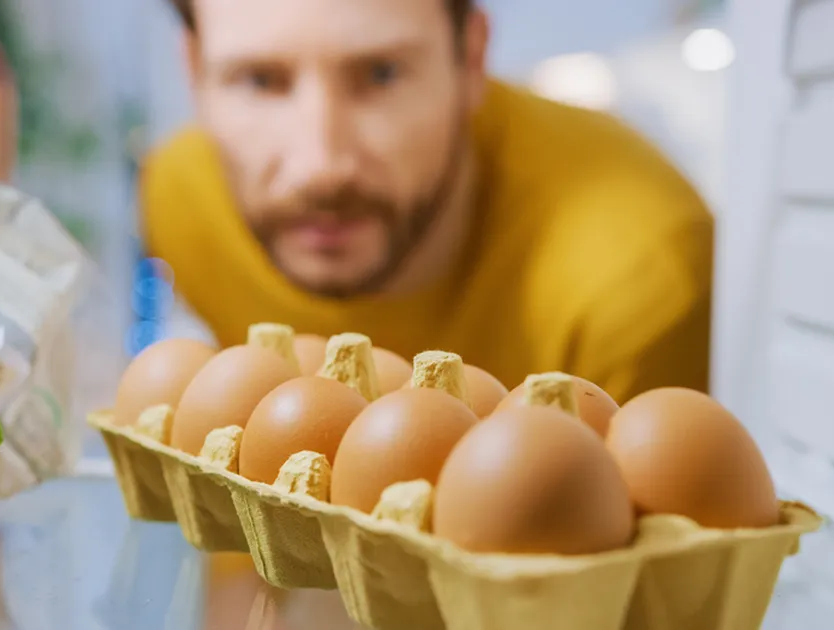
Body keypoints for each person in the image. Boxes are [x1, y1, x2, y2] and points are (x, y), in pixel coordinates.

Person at [140, 0, 712, 625]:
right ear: (194, 70)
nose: (320, 167)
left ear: (470, 59)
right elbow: (247, 528)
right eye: (259, 80)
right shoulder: (186, 203)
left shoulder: (635, 275)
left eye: (381, 73)